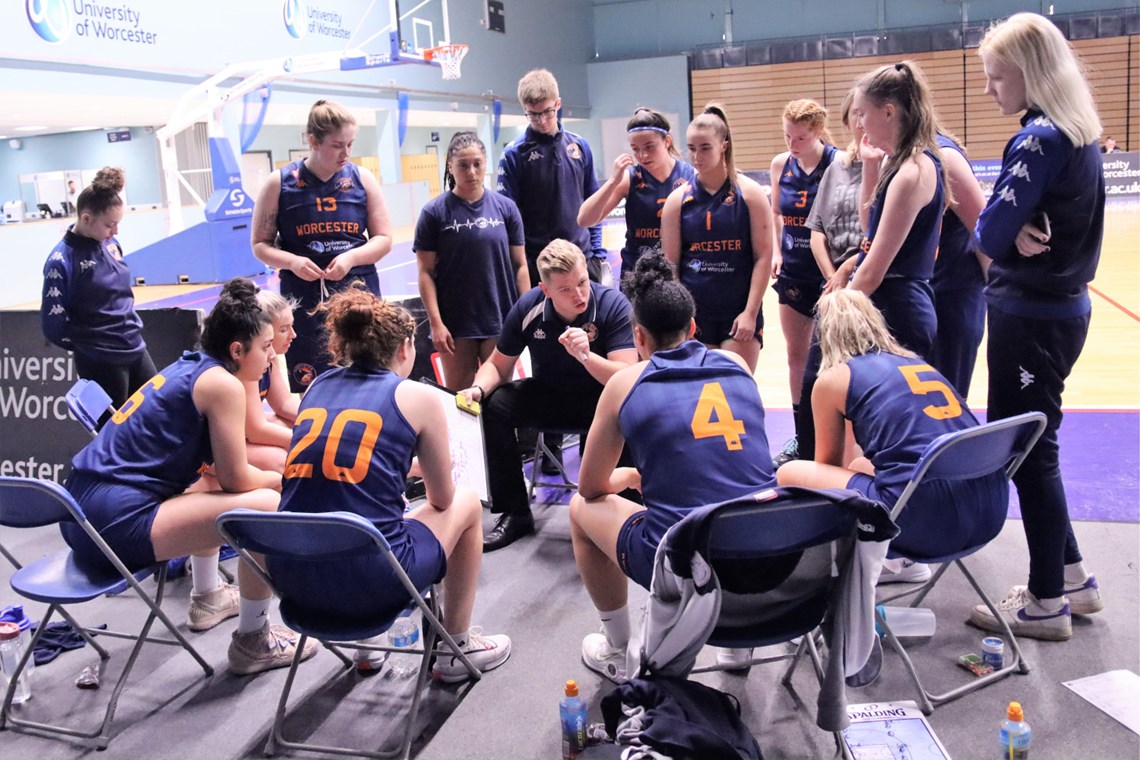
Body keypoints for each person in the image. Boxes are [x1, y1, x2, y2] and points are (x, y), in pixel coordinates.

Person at [61, 279, 316, 675]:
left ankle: (208, 595)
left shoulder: (192, 367)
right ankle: (254, 641)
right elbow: (237, 480)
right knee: (267, 507)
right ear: (237, 350)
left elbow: (220, 475)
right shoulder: (224, 385)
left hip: (77, 513)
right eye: (266, 347)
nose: (271, 356)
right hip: (113, 523)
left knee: (213, 485)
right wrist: (286, 483)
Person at [273, 287, 511, 681]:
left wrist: (402, 468)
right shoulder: (416, 396)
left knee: (350, 511)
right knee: (466, 503)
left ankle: (368, 647)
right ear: (405, 347)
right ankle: (456, 648)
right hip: (371, 585)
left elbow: (340, 464)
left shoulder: (316, 387)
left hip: (293, 579)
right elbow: (442, 499)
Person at [570, 252, 775, 682]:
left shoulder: (624, 383)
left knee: (579, 510)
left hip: (683, 563)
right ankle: (738, 646)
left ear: (638, 336)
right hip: (766, 558)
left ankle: (617, 645)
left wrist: (629, 476)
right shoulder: (737, 365)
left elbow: (590, 487)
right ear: (694, 327)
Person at [968, 12, 1106, 641]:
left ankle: (1046, 601)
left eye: (997, 77)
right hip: (1063, 310)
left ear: (1030, 72)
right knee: (1037, 445)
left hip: (1031, 316)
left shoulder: (1038, 140)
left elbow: (987, 234)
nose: (989, 89)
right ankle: (1071, 578)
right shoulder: (1079, 131)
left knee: (1028, 452)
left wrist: (1004, 227)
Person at [776, 289, 1007, 579]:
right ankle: (905, 565)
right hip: (990, 510)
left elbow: (828, 470)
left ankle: (835, 578)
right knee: (861, 466)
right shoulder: (917, 363)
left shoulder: (834, 379)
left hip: (924, 520)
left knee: (791, 472)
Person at [460, 240, 637, 552]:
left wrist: (586, 356)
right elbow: (498, 365)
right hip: (551, 395)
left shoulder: (612, 305)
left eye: (582, 282)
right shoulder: (529, 308)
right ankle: (515, 512)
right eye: (565, 289)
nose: (578, 294)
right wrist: (478, 388)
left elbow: (627, 377)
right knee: (494, 405)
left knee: (629, 406)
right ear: (546, 290)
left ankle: (621, 511)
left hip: (601, 401)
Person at [251, 99, 393, 392]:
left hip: (358, 296)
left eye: (350, 144)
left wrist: (351, 258)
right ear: (313, 141)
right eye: (337, 145)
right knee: (313, 384)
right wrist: (292, 262)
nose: (346, 153)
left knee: (368, 380)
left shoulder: (362, 179)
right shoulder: (279, 183)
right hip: (304, 300)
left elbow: (384, 240)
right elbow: (260, 244)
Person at [845, 61, 947, 359]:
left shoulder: (912, 172)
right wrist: (870, 165)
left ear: (888, 112)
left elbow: (874, 269)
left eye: (862, 113)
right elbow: (870, 228)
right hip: (883, 303)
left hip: (899, 310)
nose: (859, 124)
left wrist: (840, 312)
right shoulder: (894, 162)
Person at [661, 104, 773, 373]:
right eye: (691, 148)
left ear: (724, 145)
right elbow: (671, 265)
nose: (696, 156)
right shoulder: (677, 200)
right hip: (696, 316)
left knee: (734, 387)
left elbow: (763, 257)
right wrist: (683, 316)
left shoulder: (750, 194)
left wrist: (750, 313)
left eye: (705, 148)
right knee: (701, 388)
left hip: (738, 313)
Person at [415, 131, 530, 391]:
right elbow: (425, 272)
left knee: (499, 396)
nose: (471, 172)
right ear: (450, 166)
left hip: (499, 320)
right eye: (463, 165)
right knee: (459, 397)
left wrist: (525, 315)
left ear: (485, 163)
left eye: (477, 164)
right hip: (455, 325)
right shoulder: (434, 212)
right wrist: (436, 323)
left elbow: (520, 266)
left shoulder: (506, 208)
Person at [41, 167, 157, 411]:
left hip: (135, 347)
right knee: (113, 429)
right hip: (101, 359)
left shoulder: (111, 244)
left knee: (155, 414)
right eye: (110, 224)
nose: (116, 231)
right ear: (86, 219)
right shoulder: (61, 262)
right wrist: (90, 345)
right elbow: (53, 326)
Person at [792, 89, 867, 464]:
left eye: (866, 114)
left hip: (867, 286)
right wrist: (833, 276)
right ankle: (812, 463)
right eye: (856, 114)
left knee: (859, 381)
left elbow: (879, 234)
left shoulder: (894, 166)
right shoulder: (837, 168)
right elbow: (816, 229)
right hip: (833, 288)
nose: (861, 122)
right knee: (814, 378)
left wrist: (849, 270)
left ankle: (859, 466)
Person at [768, 99, 838, 467]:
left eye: (801, 138)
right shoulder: (781, 164)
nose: (793, 145)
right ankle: (801, 436)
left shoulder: (839, 164)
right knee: (796, 357)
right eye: (787, 137)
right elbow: (776, 213)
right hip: (793, 271)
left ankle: (835, 438)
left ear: (819, 132)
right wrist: (777, 250)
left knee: (833, 361)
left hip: (831, 275)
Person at [497, 68, 608, 287]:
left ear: (558, 104)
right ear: (525, 110)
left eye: (547, 112)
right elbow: (508, 219)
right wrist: (521, 265)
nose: (541, 120)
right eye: (533, 114)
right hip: (539, 268)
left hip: (583, 261)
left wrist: (597, 254)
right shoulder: (513, 155)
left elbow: (594, 202)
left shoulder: (580, 146)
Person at [577, 108, 695, 284]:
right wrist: (613, 181)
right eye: (635, 149)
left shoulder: (690, 176)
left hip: (678, 273)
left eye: (649, 147)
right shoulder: (629, 178)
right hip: (637, 276)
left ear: (667, 141)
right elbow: (584, 220)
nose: (643, 155)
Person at [929, 129, 987, 397]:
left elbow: (983, 233)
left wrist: (998, 302)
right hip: (919, 297)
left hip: (952, 296)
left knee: (946, 398)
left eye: (862, 113)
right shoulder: (890, 157)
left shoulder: (945, 158)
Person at [242, 290, 300, 473]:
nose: (293, 335)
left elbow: (284, 403)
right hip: (214, 442)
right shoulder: (247, 362)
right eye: (283, 329)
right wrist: (311, 440)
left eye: (291, 326)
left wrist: (324, 418)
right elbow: (255, 430)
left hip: (240, 429)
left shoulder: (269, 358)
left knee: (295, 424)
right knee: (282, 461)